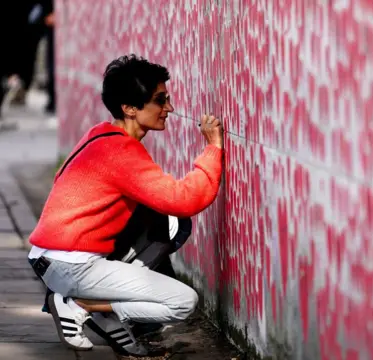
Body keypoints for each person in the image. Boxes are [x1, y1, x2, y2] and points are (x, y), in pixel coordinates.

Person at [26, 54, 224, 357]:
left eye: (167, 99)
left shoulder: (100, 134)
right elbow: (184, 199)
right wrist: (214, 148)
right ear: (130, 108)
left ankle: (98, 310)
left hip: (49, 257)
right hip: (72, 267)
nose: (169, 108)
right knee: (183, 302)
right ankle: (80, 305)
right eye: (160, 100)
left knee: (166, 223)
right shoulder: (122, 152)